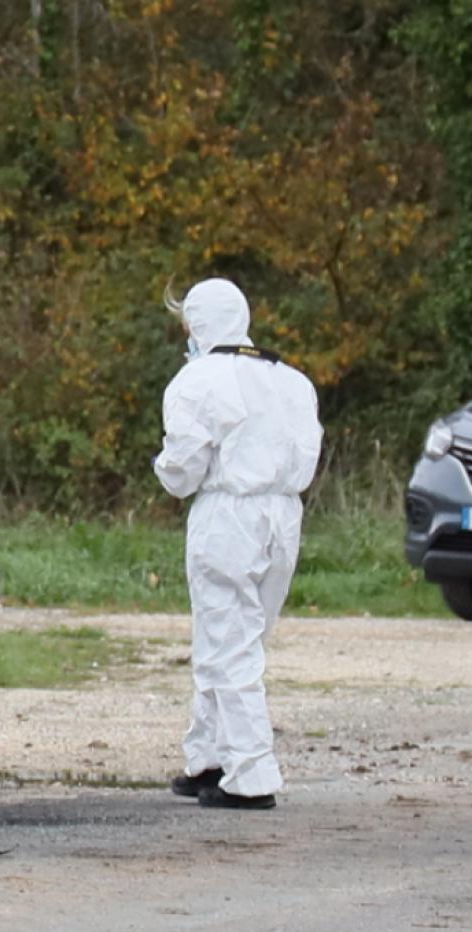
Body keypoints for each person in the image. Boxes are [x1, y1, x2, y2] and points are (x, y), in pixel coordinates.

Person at [154, 278, 322, 810]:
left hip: (229, 514)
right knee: (238, 639)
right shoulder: (292, 381)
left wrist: (164, 469)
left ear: (198, 326)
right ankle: (209, 759)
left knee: (228, 641)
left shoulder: (196, 380)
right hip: (283, 516)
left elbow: (181, 472)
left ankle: (251, 774)